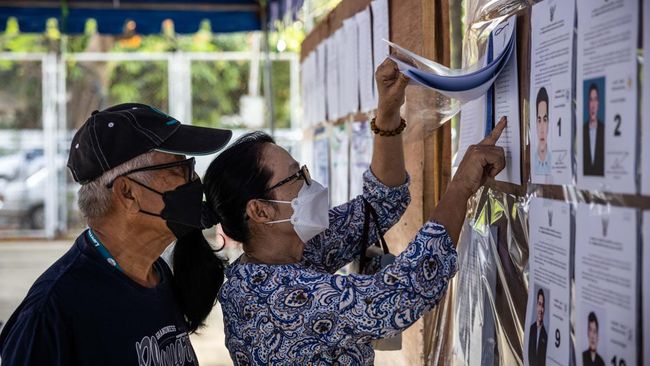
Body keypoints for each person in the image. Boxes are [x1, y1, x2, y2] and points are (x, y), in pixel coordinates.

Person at [193, 59, 507, 365]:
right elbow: (397, 296)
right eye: (296, 177)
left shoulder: (288, 254)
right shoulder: (274, 296)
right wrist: (461, 187)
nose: (310, 182)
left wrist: (387, 114)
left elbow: (380, 204)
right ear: (260, 210)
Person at [0, 104, 232, 365]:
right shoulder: (53, 313)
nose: (194, 179)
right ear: (127, 193)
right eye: (178, 170)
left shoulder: (155, 274)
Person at [583, 83, 605, 176]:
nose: (593, 105)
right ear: (588, 103)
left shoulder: (604, 130)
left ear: (598, 103)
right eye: (591, 100)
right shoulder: (582, 131)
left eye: (595, 99)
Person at [528, 288, 548, 366]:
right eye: (539, 304)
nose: (541, 309)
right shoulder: (530, 330)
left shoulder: (545, 335)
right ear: (536, 305)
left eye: (543, 305)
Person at [534, 87, 551, 175]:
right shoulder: (531, 162)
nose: (541, 129)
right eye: (539, 120)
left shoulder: (554, 161)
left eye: (545, 120)